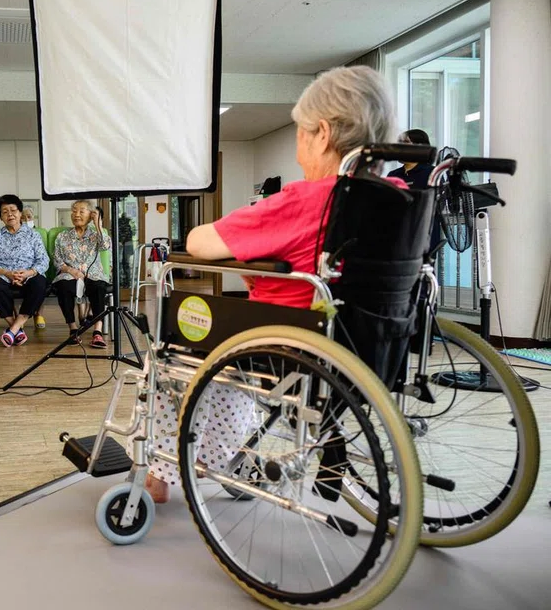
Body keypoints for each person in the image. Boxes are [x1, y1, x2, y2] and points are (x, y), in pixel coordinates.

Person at [129, 65, 400, 504]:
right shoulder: (397, 197)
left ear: (323, 134)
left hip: (286, 343)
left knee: (172, 355)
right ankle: (232, 451)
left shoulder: (306, 199)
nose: (297, 152)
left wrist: (251, 248)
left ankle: (163, 473)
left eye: (299, 135)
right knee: (226, 354)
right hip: (369, 343)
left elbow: (199, 242)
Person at [0, 194, 49, 347]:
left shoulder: (34, 235)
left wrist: (28, 273)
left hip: (28, 275)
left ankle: (14, 328)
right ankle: (15, 328)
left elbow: (43, 260)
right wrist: (7, 273)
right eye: (5, 212)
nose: (10, 214)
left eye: (13, 210)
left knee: (40, 284)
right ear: (1, 217)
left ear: (20, 213)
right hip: (5, 276)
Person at [52, 200, 111, 348]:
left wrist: (98, 224)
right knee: (63, 286)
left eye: (81, 211)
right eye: (74, 211)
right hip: (70, 274)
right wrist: (71, 270)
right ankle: (73, 329)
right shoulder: (62, 236)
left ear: (91, 214)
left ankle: (97, 331)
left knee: (98, 287)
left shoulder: (97, 234)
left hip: (93, 274)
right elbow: (57, 260)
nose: (76, 214)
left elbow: (105, 246)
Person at [387, 129, 441, 252]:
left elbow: (433, 204)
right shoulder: (393, 175)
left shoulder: (432, 173)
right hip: (397, 236)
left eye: (405, 142)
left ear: (419, 147)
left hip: (423, 235)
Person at [20, 204, 45, 329]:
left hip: (35, 269)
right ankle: (18, 317)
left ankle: (38, 314)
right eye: (23, 218)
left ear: (33, 217)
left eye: (28, 217)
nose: (26, 220)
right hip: (18, 271)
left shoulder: (39, 233)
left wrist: (32, 271)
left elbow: (42, 258)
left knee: (40, 282)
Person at [117, 210, 135, 288]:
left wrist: (121, 240)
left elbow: (132, 232)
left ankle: (125, 282)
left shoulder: (121, 221)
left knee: (123, 263)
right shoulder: (129, 222)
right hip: (124, 243)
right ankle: (124, 282)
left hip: (125, 243)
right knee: (122, 264)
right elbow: (133, 232)